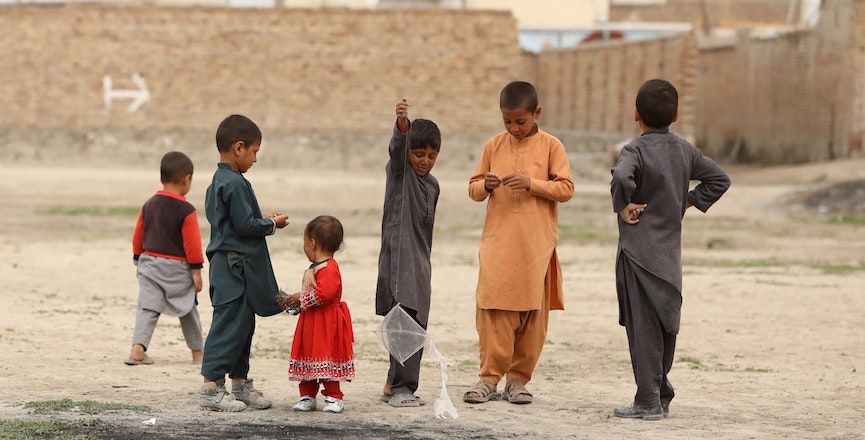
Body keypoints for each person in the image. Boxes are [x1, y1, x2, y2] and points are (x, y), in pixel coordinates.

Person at [610, 79, 731, 420]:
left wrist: (623, 206)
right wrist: (687, 202)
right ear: (676, 115)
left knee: (643, 329)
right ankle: (660, 393)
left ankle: (648, 401)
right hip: (669, 261)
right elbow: (720, 179)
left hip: (638, 255)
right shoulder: (685, 151)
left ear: (636, 114)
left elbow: (621, 178)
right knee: (665, 326)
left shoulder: (634, 150)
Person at [464, 81, 574, 405]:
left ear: (536, 113)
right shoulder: (494, 146)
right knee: (493, 309)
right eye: (507, 121)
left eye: (520, 122)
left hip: (535, 246)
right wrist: (485, 184)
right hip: (498, 244)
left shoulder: (552, 146)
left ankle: (517, 380)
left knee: (531, 313)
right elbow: (472, 188)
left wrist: (532, 184)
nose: (513, 128)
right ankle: (488, 378)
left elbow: (566, 188)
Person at [198, 114, 291, 412]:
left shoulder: (222, 181)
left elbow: (238, 223)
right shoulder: (235, 184)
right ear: (239, 148)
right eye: (254, 152)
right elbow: (245, 227)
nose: (255, 159)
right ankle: (211, 389)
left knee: (243, 326)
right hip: (232, 269)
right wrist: (272, 224)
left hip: (236, 267)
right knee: (228, 326)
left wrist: (263, 220)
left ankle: (240, 385)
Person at [374, 98, 441, 408]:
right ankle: (403, 389)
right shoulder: (400, 174)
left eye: (431, 155)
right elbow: (397, 150)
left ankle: (392, 382)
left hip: (420, 264)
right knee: (404, 321)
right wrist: (402, 124)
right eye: (418, 154)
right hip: (398, 261)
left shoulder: (433, 186)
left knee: (412, 322)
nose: (424, 161)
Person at [126, 151, 204, 366]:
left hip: (149, 264)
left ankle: (137, 349)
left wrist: (137, 262)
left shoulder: (149, 204)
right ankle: (198, 353)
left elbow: (138, 236)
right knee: (187, 308)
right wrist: (196, 271)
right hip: (177, 268)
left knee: (147, 308)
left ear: (162, 178)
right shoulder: (187, 210)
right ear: (187, 179)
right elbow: (192, 244)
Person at [278, 215, 354, 414]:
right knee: (309, 354)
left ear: (313, 242)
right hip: (312, 322)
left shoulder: (329, 269)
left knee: (327, 356)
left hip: (327, 323)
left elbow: (325, 294)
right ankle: (307, 395)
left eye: (304, 242)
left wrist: (301, 299)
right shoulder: (318, 267)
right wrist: (295, 304)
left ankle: (334, 396)